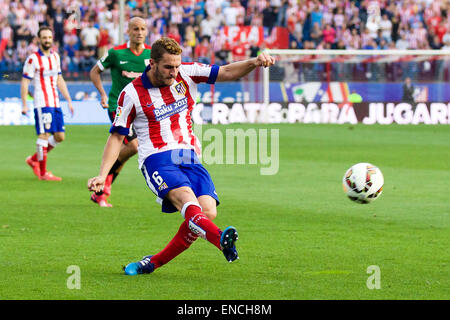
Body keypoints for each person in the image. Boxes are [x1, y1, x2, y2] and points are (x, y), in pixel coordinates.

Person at [87, 37, 275, 275]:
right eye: (168, 67)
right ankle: (221, 241)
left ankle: (153, 262)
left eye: (176, 66)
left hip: (189, 156)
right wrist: (103, 175)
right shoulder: (132, 94)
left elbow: (227, 71)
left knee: (207, 212)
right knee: (189, 203)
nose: (174, 72)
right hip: (156, 159)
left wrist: (255, 62)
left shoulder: (186, 73)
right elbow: (116, 136)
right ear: (152, 63)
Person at [89, 17, 151, 207]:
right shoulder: (116, 53)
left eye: (142, 29)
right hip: (118, 107)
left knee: (125, 152)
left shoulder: (151, 54)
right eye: (135, 29)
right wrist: (102, 94)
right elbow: (94, 72)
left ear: (146, 32)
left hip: (140, 110)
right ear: (128, 31)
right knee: (132, 147)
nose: (139, 32)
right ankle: (103, 183)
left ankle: (103, 189)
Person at [22, 26, 74, 181]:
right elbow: (25, 82)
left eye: (49, 38)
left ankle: (33, 159)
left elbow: (59, 79)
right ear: (39, 40)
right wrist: (25, 104)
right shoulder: (33, 59)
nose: (47, 40)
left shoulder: (55, 57)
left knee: (59, 136)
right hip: (42, 103)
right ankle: (43, 173)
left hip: (55, 102)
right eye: (44, 38)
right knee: (44, 135)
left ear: (52, 39)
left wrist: (69, 100)